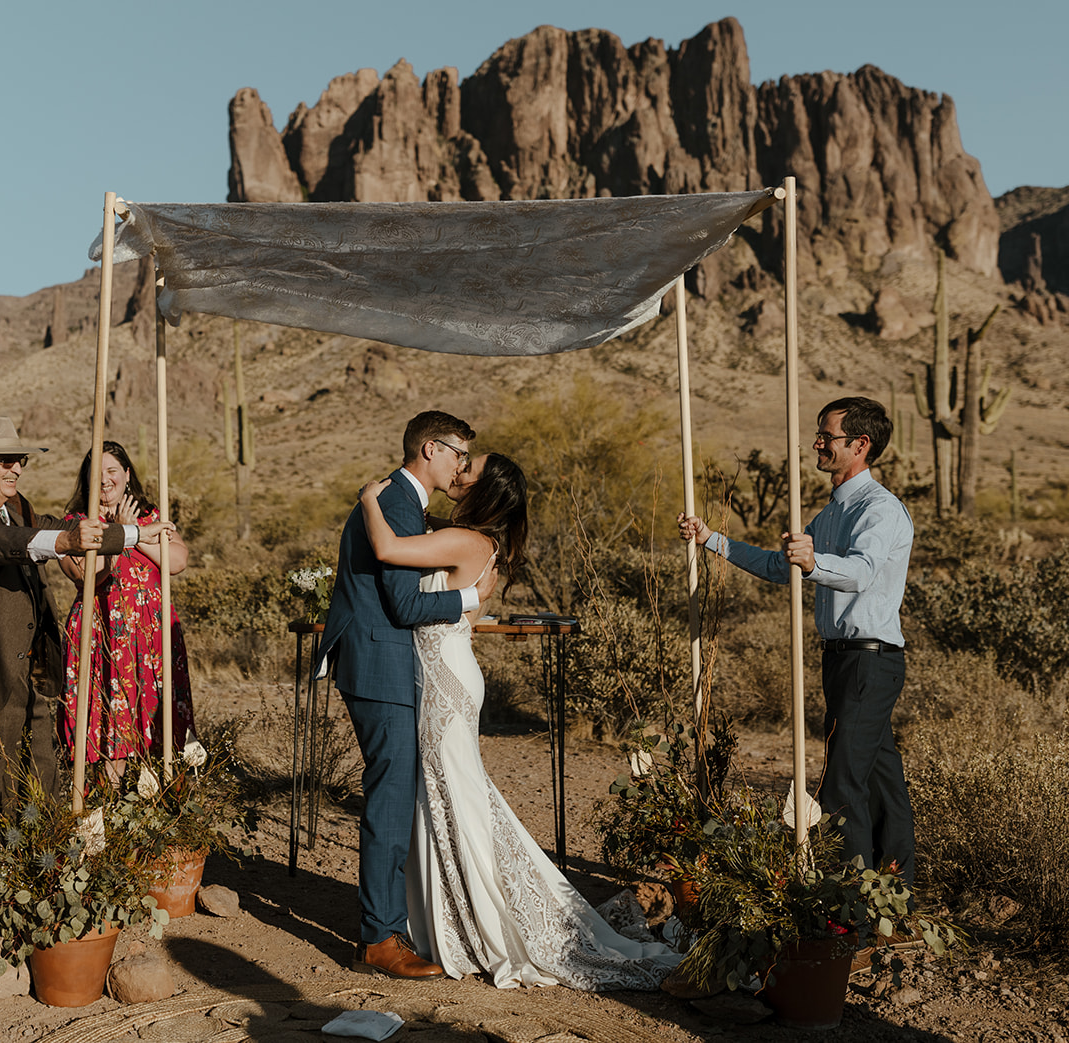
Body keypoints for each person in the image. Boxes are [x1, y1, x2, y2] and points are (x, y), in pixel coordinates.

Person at [359, 453, 682, 990]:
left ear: (486, 491)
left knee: (456, 797)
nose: (459, 472)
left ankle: (486, 921)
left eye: (471, 470)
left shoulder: (466, 542)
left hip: (444, 680)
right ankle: (450, 916)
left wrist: (370, 499)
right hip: (448, 672)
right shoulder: (472, 539)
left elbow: (388, 548)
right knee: (451, 796)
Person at [0, 416, 167, 920]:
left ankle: (33, 908)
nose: (16, 467)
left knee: (34, 786)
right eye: (5, 459)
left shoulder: (17, 509)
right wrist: (67, 543)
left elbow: (55, 529)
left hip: (25, 675)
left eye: (20, 459)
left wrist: (133, 531)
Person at [677, 396, 915, 885]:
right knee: (881, 780)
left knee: (841, 784)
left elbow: (861, 572)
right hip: (845, 663)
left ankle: (847, 901)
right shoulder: (830, 515)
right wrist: (710, 540)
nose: (817, 444)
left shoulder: (880, 510)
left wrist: (812, 563)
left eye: (827, 436)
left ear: (860, 445)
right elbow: (776, 566)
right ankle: (895, 893)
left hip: (868, 662)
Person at [314, 411, 496, 980]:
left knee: (395, 796)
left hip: (382, 662)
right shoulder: (394, 503)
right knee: (390, 801)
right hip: (380, 665)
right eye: (457, 454)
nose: (461, 465)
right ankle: (379, 940)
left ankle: (392, 922)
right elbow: (405, 607)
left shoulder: (401, 502)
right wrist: (468, 600)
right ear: (429, 448)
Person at [57, 440, 194, 774]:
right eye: (96, 473)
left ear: (127, 474)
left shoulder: (151, 516)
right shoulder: (76, 525)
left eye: (112, 471)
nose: (105, 480)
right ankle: (109, 805)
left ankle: (161, 802)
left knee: (158, 716)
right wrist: (122, 534)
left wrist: (139, 532)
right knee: (108, 717)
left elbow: (177, 561)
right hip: (102, 632)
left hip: (152, 634)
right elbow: (91, 575)